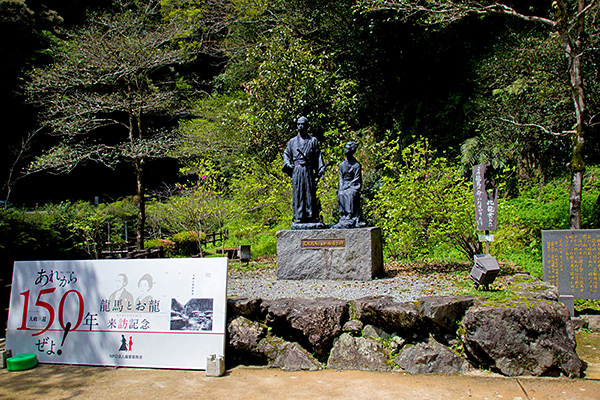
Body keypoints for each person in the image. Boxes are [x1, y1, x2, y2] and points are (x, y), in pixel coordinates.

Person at [283, 116, 326, 229]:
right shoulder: (292, 142)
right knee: (298, 192)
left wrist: (320, 168)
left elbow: (318, 155)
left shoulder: (312, 140)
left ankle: (310, 215)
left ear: (307, 126)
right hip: (297, 169)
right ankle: (299, 216)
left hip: (308, 169)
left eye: (302, 124)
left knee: (309, 191)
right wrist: (288, 163)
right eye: (298, 124)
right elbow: (286, 154)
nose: (300, 126)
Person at [332, 141, 365, 229]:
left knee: (350, 193)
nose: (345, 150)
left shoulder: (356, 165)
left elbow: (357, 178)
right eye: (345, 148)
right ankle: (343, 214)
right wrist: (341, 186)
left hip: (353, 185)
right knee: (341, 193)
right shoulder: (342, 164)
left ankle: (350, 214)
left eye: (347, 149)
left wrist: (349, 185)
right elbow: (341, 177)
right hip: (344, 184)